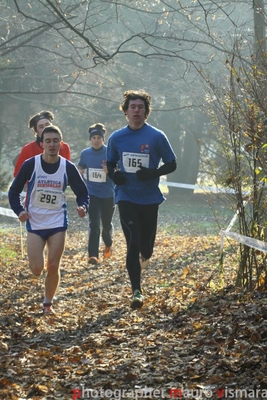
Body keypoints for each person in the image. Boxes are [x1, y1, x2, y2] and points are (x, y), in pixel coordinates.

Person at [107, 90, 177, 309]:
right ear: (126, 111)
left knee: (146, 247)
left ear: (146, 112)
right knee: (133, 241)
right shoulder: (116, 137)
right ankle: (136, 291)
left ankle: (145, 255)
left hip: (149, 198)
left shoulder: (156, 136)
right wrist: (114, 175)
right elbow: (110, 164)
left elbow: (172, 163)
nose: (136, 111)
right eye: (132, 107)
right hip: (126, 195)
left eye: (140, 107)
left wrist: (152, 173)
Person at [8, 125, 89, 315]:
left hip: (57, 222)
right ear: (42, 143)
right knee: (37, 268)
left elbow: (83, 193)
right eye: (48, 141)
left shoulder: (67, 167)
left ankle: (47, 303)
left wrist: (83, 207)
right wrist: (19, 210)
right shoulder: (30, 164)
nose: (52, 144)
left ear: (60, 144)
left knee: (53, 265)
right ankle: (42, 283)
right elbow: (14, 192)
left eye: (55, 141)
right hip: (35, 222)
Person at [78, 123, 115, 265]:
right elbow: (81, 165)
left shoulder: (110, 152)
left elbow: (117, 169)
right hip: (92, 193)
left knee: (106, 224)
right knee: (94, 224)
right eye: (93, 137)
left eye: (99, 137)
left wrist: (110, 170)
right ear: (90, 139)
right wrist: (80, 170)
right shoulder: (85, 153)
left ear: (103, 139)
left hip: (108, 194)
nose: (96, 140)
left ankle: (108, 243)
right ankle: (93, 255)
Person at [13, 110, 71, 177]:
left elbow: (67, 172)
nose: (45, 128)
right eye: (41, 127)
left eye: (47, 125)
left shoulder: (64, 147)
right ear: (36, 132)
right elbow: (17, 173)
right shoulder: (27, 149)